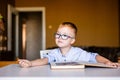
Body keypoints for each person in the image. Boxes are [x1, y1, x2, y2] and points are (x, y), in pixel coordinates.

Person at [19, 22, 120, 68]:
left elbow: (95, 57)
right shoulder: (54, 53)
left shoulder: (78, 53)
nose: (59, 37)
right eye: (58, 34)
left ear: (72, 41)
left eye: (65, 35)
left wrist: (107, 62)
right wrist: (30, 63)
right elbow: (44, 60)